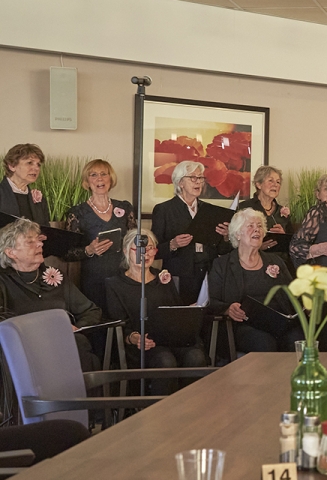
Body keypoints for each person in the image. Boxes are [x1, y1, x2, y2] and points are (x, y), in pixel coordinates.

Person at [104, 230, 208, 394]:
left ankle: (191, 406)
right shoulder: (115, 284)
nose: (145, 254)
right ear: (126, 251)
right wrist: (134, 337)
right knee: (165, 360)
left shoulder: (163, 278)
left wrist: (191, 310)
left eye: (150, 248)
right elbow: (118, 324)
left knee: (196, 357)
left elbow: (175, 312)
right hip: (141, 346)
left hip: (171, 340)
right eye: (139, 248)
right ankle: (163, 409)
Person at [0, 218, 102, 372]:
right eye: (30, 242)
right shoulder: (3, 282)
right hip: (24, 353)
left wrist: (77, 328)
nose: (40, 244)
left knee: (80, 345)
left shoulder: (56, 276)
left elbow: (91, 310)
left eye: (39, 240)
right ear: (11, 252)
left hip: (65, 347)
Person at [208, 209, 298, 354]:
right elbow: (211, 301)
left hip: (278, 322)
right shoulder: (222, 265)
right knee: (264, 343)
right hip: (244, 324)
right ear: (237, 234)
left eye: (259, 226)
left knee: (299, 340)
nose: (257, 229)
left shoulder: (275, 261)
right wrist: (228, 309)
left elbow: (293, 293)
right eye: (250, 226)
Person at [151, 161, 230, 304]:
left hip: (208, 273)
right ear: (180, 182)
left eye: (200, 178)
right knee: (182, 315)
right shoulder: (164, 210)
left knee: (207, 315)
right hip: (180, 275)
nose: (198, 182)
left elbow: (222, 250)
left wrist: (225, 237)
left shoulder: (210, 210)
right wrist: (173, 244)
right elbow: (153, 251)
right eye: (193, 177)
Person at [64, 159, 137, 309]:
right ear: (87, 181)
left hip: (124, 276)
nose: (100, 179)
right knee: (98, 318)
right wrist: (89, 250)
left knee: (125, 317)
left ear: (111, 178)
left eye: (104, 174)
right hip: (94, 278)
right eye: (94, 175)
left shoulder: (125, 207)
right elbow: (67, 253)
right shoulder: (77, 213)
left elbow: (134, 241)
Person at [1, 144, 49, 225]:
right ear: (12, 166)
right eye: (30, 163)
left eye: (38, 164)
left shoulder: (39, 199)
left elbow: (45, 228)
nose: (36, 168)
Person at [239, 165, 292, 236]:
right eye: (270, 181)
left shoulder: (282, 211)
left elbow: (292, 239)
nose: (275, 185)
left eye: (278, 182)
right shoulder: (244, 207)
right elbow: (236, 236)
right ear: (258, 185)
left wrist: (282, 235)